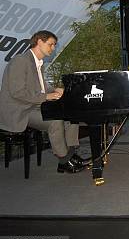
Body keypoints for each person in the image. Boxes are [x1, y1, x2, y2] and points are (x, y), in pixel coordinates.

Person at [0, 30, 84, 173]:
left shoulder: (38, 63)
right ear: (39, 42)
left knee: (71, 116)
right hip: (20, 110)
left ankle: (70, 155)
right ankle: (64, 160)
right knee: (55, 121)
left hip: (33, 105)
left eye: (54, 45)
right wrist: (47, 97)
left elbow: (41, 87)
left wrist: (56, 90)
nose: (53, 48)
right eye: (51, 44)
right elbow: (17, 92)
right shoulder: (20, 61)